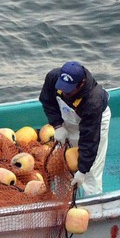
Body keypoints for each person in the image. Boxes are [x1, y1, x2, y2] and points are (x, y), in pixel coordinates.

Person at [39, 61, 111, 197]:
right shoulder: (53, 77)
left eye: (69, 89)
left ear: (82, 83)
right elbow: (47, 101)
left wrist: (83, 170)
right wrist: (57, 125)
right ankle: (64, 197)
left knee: (91, 169)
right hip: (69, 115)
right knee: (64, 158)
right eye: (62, 87)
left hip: (95, 122)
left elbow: (89, 139)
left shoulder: (93, 100)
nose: (65, 92)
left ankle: (92, 198)